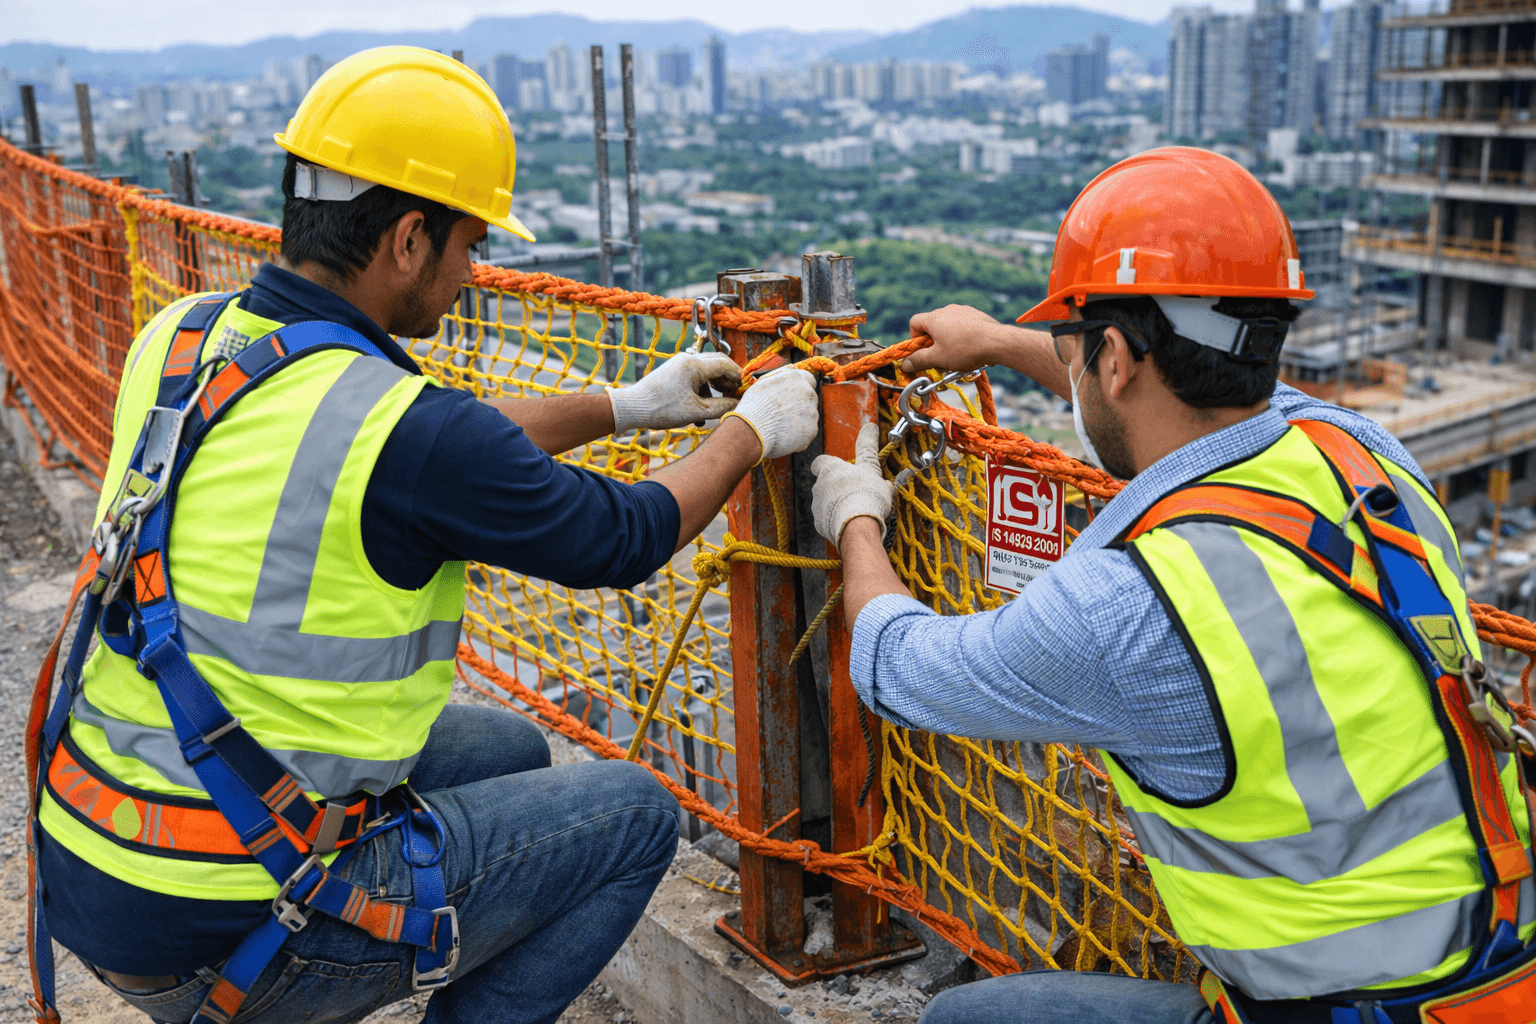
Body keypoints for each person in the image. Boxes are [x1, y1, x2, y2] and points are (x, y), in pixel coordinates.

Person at [31, 47, 820, 1024]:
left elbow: (418, 441)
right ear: (409, 239)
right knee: (635, 816)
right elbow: (620, 535)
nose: (471, 270)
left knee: (504, 748)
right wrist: (753, 432)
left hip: (98, 846)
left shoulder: (186, 335)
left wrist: (624, 406)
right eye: (469, 243)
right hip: (225, 924)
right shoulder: (399, 427)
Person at [807, 147, 1534, 1024]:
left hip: (1331, 1012)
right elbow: (1182, 410)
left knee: (962, 1021)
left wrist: (856, 512)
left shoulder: (1128, 604)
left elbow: (896, 664)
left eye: (1081, 348)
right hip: (1502, 971)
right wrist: (999, 342)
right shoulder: (1362, 452)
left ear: (1112, 359)